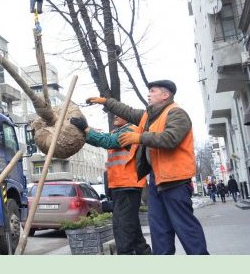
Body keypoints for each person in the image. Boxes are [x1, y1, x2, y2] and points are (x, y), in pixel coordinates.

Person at [87, 79, 209, 255]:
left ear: (165, 95)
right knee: (160, 232)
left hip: (175, 182)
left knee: (186, 230)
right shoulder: (149, 116)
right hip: (157, 183)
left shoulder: (177, 113)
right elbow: (127, 111)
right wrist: (106, 102)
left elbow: (170, 138)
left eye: (152, 91)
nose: (148, 94)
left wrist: (139, 137)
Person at [70, 115, 152, 255]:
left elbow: (107, 141)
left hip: (128, 185)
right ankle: (144, 253)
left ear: (127, 117)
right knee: (131, 225)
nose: (114, 115)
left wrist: (86, 128)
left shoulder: (130, 131)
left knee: (121, 226)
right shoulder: (117, 132)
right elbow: (100, 140)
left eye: (118, 113)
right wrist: (83, 131)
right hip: (122, 185)